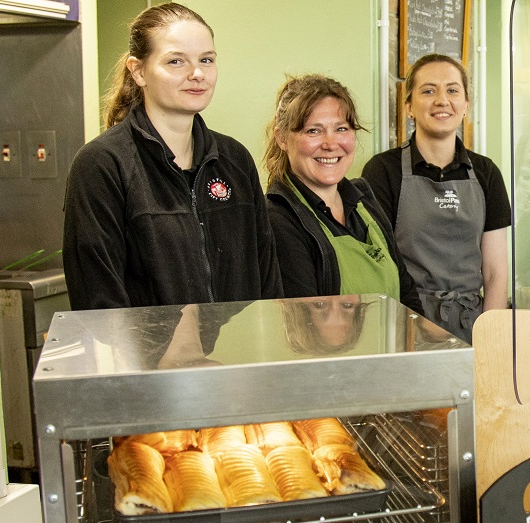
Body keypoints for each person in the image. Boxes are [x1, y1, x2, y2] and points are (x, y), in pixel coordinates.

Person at [62, 2, 279, 310]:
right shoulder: (102, 165)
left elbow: (269, 283)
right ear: (138, 71)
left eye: (206, 60)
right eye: (176, 61)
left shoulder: (234, 160)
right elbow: (97, 300)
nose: (197, 73)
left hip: (236, 355)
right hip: (146, 358)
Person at [361, 54, 510, 343]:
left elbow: (494, 272)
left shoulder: (486, 173)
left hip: (472, 324)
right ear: (409, 106)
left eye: (453, 90)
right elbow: (379, 264)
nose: (442, 100)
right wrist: (414, 319)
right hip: (402, 323)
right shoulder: (382, 171)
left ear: (466, 105)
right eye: (428, 90)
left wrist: (491, 340)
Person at [264, 74, 413, 303]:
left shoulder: (364, 200)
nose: (331, 144)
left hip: (393, 339)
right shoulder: (278, 220)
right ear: (282, 138)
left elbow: (408, 293)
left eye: (341, 129)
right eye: (313, 130)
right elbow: (307, 321)